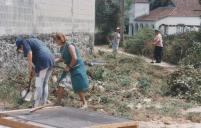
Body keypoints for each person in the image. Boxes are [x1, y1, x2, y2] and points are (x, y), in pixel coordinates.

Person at [16, 36, 54, 107]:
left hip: (43, 61)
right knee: (45, 83)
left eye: (20, 48)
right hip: (51, 59)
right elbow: (36, 58)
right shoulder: (34, 41)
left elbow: (30, 54)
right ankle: (43, 102)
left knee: (39, 84)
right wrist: (33, 71)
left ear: (20, 45)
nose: (22, 50)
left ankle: (36, 104)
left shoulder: (25, 42)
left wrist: (29, 70)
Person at [54, 33, 89, 109]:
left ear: (61, 39)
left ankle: (84, 103)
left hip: (77, 67)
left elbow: (75, 58)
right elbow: (62, 58)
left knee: (78, 85)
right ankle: (58, 102)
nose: (55, 42)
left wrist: (69, 67)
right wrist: (53, 61)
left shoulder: (70, 46)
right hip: (70, 67)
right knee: (62, 82)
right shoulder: (62, 48)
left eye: (56, 40)